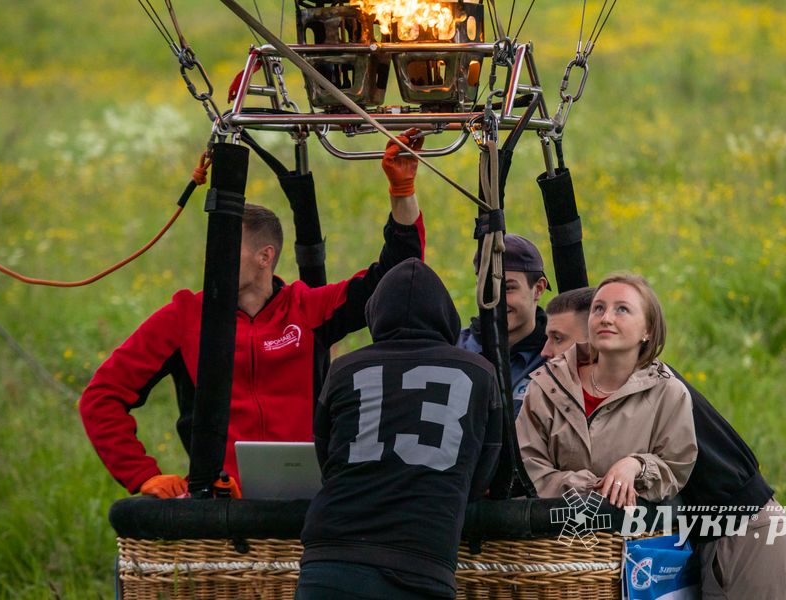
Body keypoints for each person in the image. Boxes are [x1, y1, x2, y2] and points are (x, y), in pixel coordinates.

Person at [78, 132, 426, 498]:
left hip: (307, 497)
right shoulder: (183, 317)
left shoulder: (306, 308)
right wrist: (143, 475)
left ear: (265, 257)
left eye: (227, 247)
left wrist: (402, 191)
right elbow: (101, 396)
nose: (213, 258)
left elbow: (397, 276)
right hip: (221, 499)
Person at [539, 286, 786, 598]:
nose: (547, 351)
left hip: (743, 531)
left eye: (559, 339)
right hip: (707, 534)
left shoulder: (646, 386)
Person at [297, 258, 502, 600]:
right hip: (423, 556)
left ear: (375, 314)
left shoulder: (344, 369)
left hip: (331, 556)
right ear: (446, 316)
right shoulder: (480, 372)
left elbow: (326, 455)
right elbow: (487, 464)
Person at [516, 273, 698, 507]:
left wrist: (637, 466)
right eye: (598, 309)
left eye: (622, 309)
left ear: (648, 330)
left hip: (626, 539)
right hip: (551, 537)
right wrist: (593, 487)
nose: (606, 318)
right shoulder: (546, 384)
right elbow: (527, 465)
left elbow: (676, 466)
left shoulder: (669, 393)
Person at [458, 234, 550, 418]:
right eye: (485, 286)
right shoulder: (455, 347)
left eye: (508, 288)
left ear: (538, 289)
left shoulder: (554, 356)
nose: (495, 299)